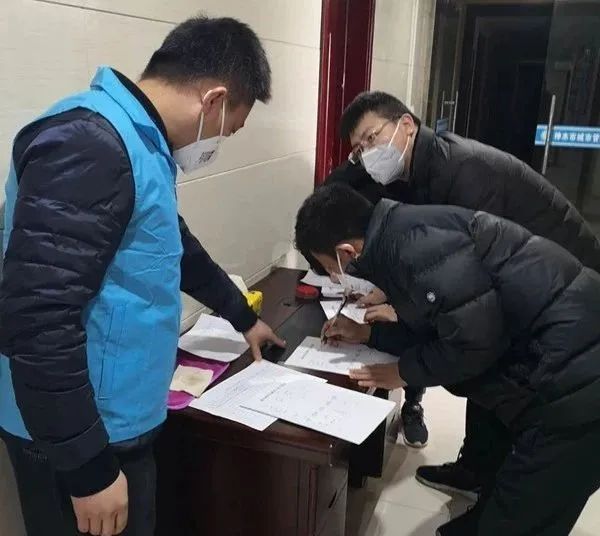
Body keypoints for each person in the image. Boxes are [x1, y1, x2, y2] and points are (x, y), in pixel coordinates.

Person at [0, 16, 285, 536]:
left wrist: (243, 316)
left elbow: (175, 249)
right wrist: (87, 468)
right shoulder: (91, 143)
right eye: (228, 131)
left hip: (114, 423)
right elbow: (38, 318)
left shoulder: (137, 143)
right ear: (214, 100)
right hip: (82, 438)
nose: (218, 144)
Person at [310, 90, 600, 501]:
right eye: (359, 150)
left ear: (406, 125)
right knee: (481, 365)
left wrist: (403, 322)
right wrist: (389, 292)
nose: (367, 154)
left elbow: (468, 283)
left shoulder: (465, 171)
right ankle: (478, 469)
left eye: (371, 139)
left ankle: (487, 475)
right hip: (538, 282)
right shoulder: (420, 167)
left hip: (567, 286)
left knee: (495, 365)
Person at [295, 183, 600, 535]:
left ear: (346, 251)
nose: (338, 278)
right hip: (556, 353)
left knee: (523, 515)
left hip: (578, 382)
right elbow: (443, 325)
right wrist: (369, 335)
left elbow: (473, 344)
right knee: (506, 481)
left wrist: (403, 372)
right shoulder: (400, 233)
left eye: (331, 268)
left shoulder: (416, 251)